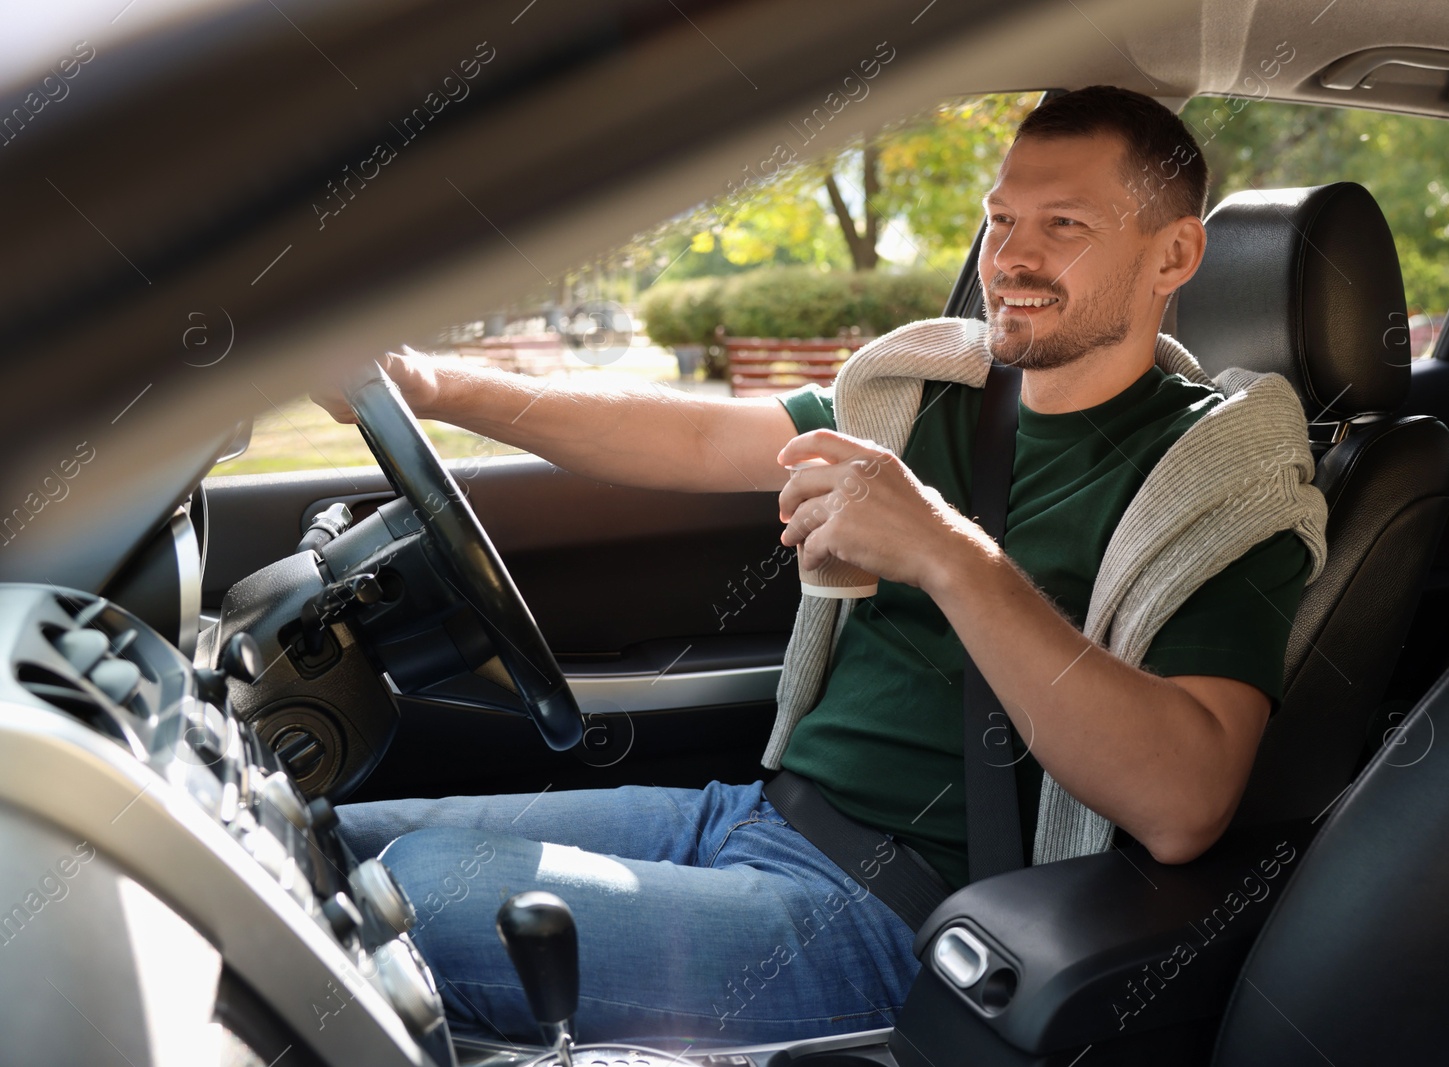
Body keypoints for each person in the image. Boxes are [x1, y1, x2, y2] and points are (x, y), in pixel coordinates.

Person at [327, 85, 1316, 1049]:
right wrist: (430, 382)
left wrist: (942, 551)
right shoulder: (931, 398)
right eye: (999, 217)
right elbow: (685, 437)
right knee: (325, 842)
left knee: (416, 896)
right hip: (751, 813)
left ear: (1173, 254)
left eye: (1063, 224)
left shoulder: (1214, 486)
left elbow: (1184, 803)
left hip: (905, 907)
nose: (1010, 255)